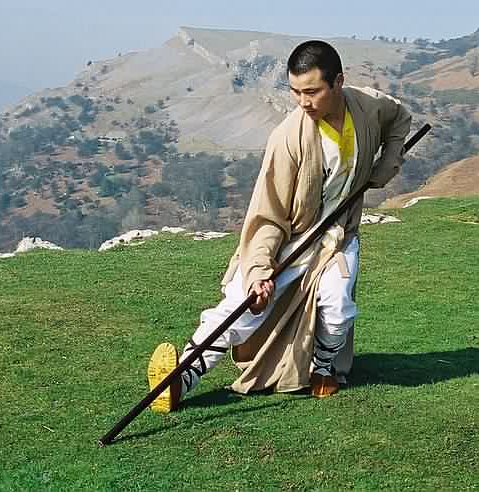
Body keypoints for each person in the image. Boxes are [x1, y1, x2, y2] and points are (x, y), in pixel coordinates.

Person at [147, 40, 411, 413]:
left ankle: (324, 368)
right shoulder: (288, 138)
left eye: (312, 91)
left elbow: (400, 118)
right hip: (292, 239)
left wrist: (387, 164)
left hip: (338, 236)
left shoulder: (367, 105)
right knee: (242, 303)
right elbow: (267, 215)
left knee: (337, 305)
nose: (303, 102)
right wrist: (258, 271)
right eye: (295, 92)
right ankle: (182, 378)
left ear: (338, 82)